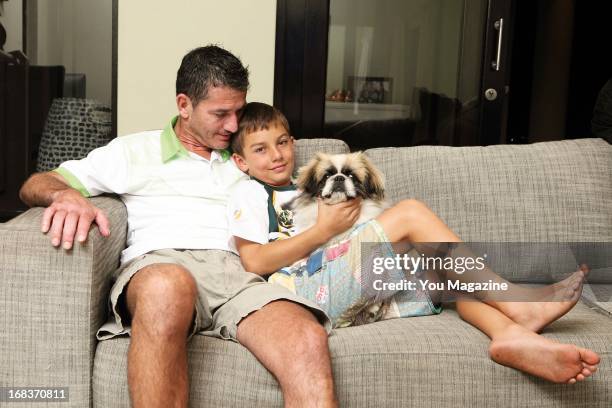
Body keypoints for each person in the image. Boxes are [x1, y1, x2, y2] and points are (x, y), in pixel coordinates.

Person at [19, 46, 351, 408]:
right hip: (163, 264)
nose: (232, 125)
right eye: (220, 113)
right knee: (169, 286)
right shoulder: (134, 152)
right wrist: (64, 197)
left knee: (305, 336)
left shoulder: (246, 156)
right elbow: (37, 183)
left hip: (236, 275)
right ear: (184, 105)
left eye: (238, 112)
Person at [227, 102, 601, 385]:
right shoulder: (250, 193)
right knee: (411, 214)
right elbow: (253, 262)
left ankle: (509, 336)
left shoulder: (310, 183)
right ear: (241, 162)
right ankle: (516, 302)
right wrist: (322, 231)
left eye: (281, 142)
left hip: (345, 287)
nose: (276, 154)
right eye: (260, 149)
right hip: (303, 294)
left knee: (449, 275)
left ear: (293, 142)